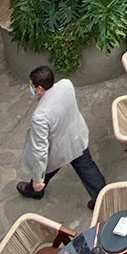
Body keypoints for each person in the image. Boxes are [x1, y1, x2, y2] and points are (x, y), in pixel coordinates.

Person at [17, 65, 106, 211]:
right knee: (87, 168)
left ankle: (37, 187)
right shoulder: (66, 85)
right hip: (76, 137)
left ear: (39, 88)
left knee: (45, 169)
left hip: (58, 149)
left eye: (32, 86)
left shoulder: (40, 116)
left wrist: (38, 179)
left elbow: (40, 150)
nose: (31, 89)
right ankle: (102, 199)